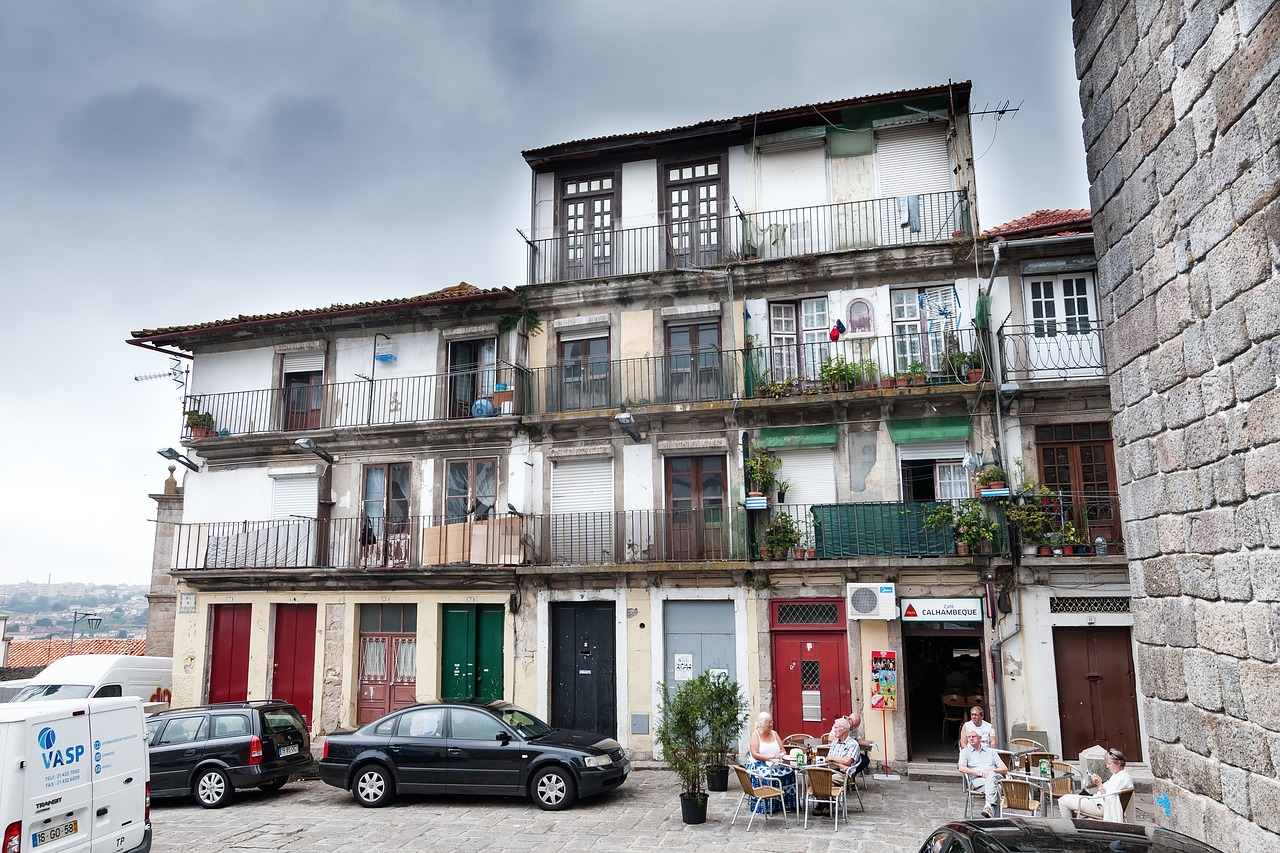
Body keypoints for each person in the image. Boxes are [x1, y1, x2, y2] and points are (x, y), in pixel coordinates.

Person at [1057, 748, 1134, 821]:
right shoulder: (1120, 775)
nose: (1107, 766)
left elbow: (1108, 799)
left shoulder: (1120, 778)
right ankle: (1074, 824)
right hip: (1098, 801)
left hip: (1101, 807)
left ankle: (1070, 828)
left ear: (1118, 764)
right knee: (1066, 796)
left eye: (1109, 764)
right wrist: (1099, 782)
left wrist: (1099, 784)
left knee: (1062, 801)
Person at [958, 730, 1007, 817]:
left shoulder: (991, 752)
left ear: (980, 738)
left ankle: (988, 806)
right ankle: (995, 816)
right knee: (996, 788)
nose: (971, 739)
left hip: (995, 777)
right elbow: (961, 768)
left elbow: (1004, 769)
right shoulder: (965, 752)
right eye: (969, 737)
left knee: (992, 776)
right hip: (978, 780)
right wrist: (979, 773)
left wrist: (992, 771)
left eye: (974, 736)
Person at [844, 712, 874, 777]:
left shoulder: (854, 728)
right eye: (854, 725)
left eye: (856, 726)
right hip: (843, 752)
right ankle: (846, 776)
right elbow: (831, 738)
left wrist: (868, 742)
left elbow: (858, 739)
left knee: (865, 760)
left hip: (852, 752)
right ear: (849, 719)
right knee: (850, 762)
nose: (854, 727)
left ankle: (851, 776)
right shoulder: (840, 724)